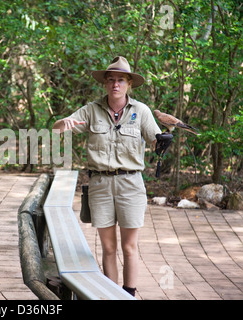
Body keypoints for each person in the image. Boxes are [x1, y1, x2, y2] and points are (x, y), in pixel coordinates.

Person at [53, 56, 162, 297]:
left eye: (120, 80)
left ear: (129, 84)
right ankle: (111, 294)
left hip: (131, 184)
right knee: (109, 247)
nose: (115, 84)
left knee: (129, 246)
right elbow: (57, 128)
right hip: (100, 184)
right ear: (104, 83)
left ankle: (129, 294)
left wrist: (164, 140)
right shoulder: (91, 110)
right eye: (111, 80)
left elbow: (157, 142)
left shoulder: (141, 111)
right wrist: (64, 122)